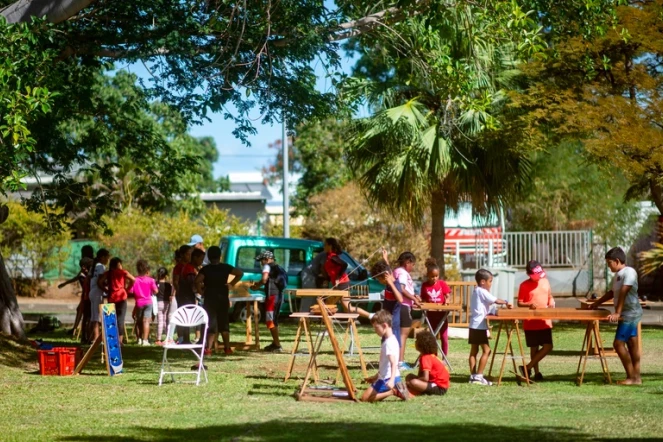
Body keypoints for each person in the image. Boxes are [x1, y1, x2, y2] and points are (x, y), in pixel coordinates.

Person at [590, 247, 642, 385]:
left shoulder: (629, 272)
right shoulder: (618, 275)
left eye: (609, 263)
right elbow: (612, 293)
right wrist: (596, 303)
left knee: (618, 344)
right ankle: (636, 377)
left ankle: (632, 378)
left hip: (630, 313)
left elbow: (624, 292)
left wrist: (617, 313)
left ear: (617, 261)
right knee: (631, 344)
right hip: (626, 313)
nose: (608, 266)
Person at [195, 245, 244, 355]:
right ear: (220, 256)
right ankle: (227, 348)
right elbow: (240, 273)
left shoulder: (206, 269)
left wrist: (201, 291)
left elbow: (197, 281)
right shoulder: (225, 267)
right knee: (224, 322)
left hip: (210, 299)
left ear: (208, 256)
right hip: (223, 297)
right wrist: (231, 283)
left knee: (211, 323)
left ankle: (208, 349)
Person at [469, 268, 512, 385]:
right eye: (490, 281)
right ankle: (478, 376)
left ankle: (473, 376)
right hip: (479, 326)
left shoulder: (476, 291)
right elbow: (496, 300)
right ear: (483, 282)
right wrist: (506, 301)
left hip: (473, 324)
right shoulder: (482, 291)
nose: (491, 284)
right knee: (487, 351)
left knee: (474, 351)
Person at [517, 260, 555, 381]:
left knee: (548, 346)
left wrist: (551, 302)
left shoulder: (545, 281)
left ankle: (527, 367)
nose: (539, 277)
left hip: (544, 320)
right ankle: (536, 373)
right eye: (536, 275)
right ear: (529, 274)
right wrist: (529, 304)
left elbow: (549, 296)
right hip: (531, 322)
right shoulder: (524, 285)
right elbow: (520, 302)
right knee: (534, 348)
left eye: (540, 274)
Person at [383, 250, 420, 370]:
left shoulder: (396, 271)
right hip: (404, 306)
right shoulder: (403, 273)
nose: (413, 267)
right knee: (403, 335)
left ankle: (397, 361)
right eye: (412, 264)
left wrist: (385, 258)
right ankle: (400, 362)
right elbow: (402, 289)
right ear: (408, 262)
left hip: (400, 306)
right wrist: (414, 298)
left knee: (398, 334)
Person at [361, 310, 408, 402]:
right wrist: (376, 376)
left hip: (387, 379)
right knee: (367, 396)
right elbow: (385, 364)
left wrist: (391, 380)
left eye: (376, 327)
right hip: (392, 377)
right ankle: (398, 387)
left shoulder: (388, 343)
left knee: (364, 398)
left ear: (385, 326)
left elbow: (393, 363)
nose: (375, 330)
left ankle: (392, 391)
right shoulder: (392, 339)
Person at [322, 238, 372, 319]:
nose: (324, 246)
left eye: (325, 245)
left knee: (329, 307)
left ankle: (371, 316)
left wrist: (338, 277)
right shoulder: (329, 256)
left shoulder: (333, 257)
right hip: (340, 284)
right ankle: (369, 316)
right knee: (339, 308)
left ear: (330, 246)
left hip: (342, 284)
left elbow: (344, 264)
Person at [251, 250, 286, 352]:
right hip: (279, 296)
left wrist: (256, 286)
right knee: (274, 320)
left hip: (272, 297)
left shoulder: (267, 266)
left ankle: (278, 345)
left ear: (266, 259)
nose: (261, 263)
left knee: (270, 321)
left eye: (261, 260)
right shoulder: (278, 267)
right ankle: (275, 343)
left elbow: (264, 279)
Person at [99, 257, 135, 344]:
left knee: (111, 318)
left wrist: (106, 290)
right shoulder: (123, 272)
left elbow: (99, 282)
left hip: (111, 297)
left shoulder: (108, 273)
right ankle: (120, 340)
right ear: (118, 265)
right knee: (120, 319)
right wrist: (127, 289)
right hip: (122, 297)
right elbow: (133, 279)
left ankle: (111, 339)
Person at [59, 244, 94, 335]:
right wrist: (65, 283)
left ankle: (78, 330)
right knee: (80, 310)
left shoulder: (91, 264)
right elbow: (78, 276)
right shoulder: (85, 264)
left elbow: (80, 276)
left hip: (90, 293)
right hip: (86, 292)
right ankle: (75, 329)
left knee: (84, 311)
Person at [420, 258, 452, 355]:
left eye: (436, 276)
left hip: (441, 314)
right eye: (432, 276)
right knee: (432, 336)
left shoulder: (442, 284)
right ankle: (434, 355)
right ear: (428, 276)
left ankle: (444, 357)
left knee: (444, 337)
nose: (434, 278)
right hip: (431, 315)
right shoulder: (425, 286)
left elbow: (448, 295)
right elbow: (424, 299)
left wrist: (447, 301)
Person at [405, 330, 450, 396]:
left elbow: (425, 378)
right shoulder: (427, 356)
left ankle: (414, 390)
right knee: (409, 376)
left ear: (421, 344)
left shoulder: (426, 358)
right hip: (433, 383)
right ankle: (416, 388)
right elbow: (421, 375)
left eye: (417, 340)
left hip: (439, 387)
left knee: (413, 382)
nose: (415, 342)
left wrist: (409, 383)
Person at [370, 259, 403, 347]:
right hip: (386, 321)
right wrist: (385, 259)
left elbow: (400, 299)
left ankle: (396, 361)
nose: (379, 281)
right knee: (385, 343)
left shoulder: (395, 285)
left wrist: (391, 284)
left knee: (393, 345)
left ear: (385, 276)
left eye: (379, 279)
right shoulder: (388, 282)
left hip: (394, 322)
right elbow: (387, 270)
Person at [131, 259, 158, 346]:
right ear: (147, 270)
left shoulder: (134, 280)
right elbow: (156, 291)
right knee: (146, 321)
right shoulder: (151, 280)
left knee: (138, 321)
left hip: (139, 303)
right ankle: (145, 340)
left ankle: (139, 339)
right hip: (148, 302)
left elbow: (130, 291)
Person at [88, 249, 110, 343]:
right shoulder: (101, 266)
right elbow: (100, 281)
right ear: (102, 257)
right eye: (107, 257)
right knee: (97, 316)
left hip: (92, 292)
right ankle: (97, 337)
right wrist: (106, 289)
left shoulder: (93, 266)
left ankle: (94, 337)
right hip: (97, 292)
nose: (108, 259)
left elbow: (89, 278)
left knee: (94, 315)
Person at [78, 257, 94, 344]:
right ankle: (86, 337)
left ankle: (85, 337)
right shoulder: (83, 276)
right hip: (87, 298)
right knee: (87, 319)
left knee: (87, 318)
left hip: (87, 298)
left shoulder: (87, 275)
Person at [155, 267, 173, 345]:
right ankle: (168, 337)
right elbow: (170, 294)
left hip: (158, 303)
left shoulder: (156, 284)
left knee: (160, 321)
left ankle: (159, 339)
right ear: (166, 275)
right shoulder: (168, 285)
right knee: (166, 321)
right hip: (166, 303)